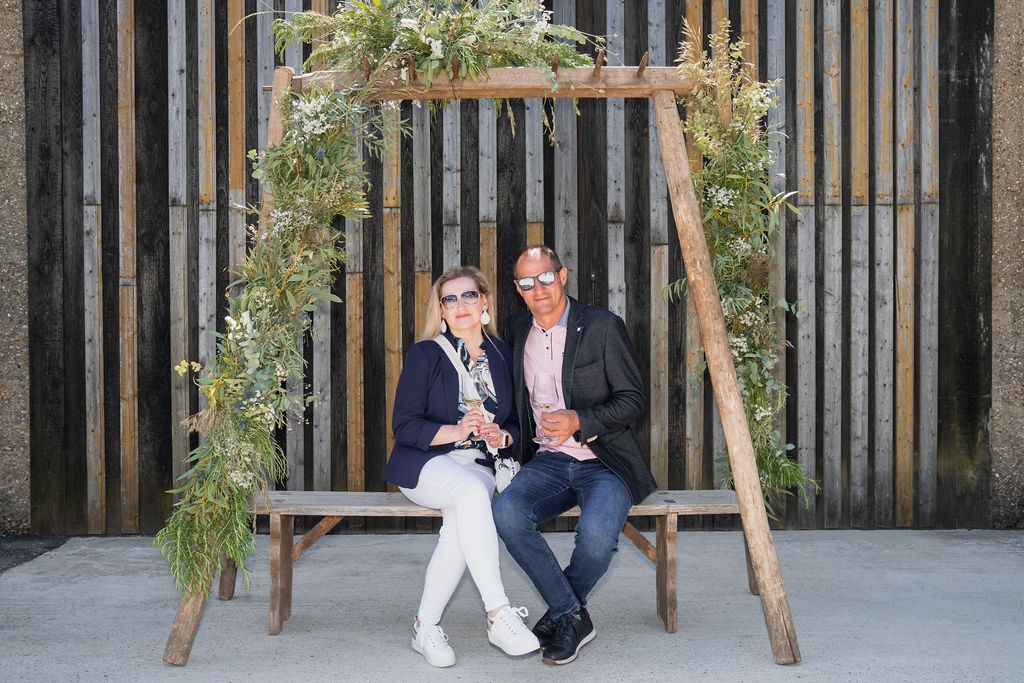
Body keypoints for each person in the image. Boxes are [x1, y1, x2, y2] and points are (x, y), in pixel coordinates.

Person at [493, 245, 657, 666]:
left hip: (605, 461)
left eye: (546, 277)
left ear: (562, 276)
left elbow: (634, 400)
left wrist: (579, 419)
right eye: (527, 282)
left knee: (598, 540)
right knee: (507, 513)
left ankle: (561, 613)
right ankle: (572, 615)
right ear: (518, 289)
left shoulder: (602, 326)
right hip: (548, 460)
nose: (538, 288)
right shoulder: (517, 329)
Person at [382, 265, 541, 668]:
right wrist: (455, 429)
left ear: (484, 301)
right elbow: (404, 425)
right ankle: (498, 612)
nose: (460, 305)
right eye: (449, 299)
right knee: (471, 496)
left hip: (479, 464)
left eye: (469, 295)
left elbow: (517, 423)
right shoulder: (425, 354)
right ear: (441, 309)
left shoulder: (505, 355)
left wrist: (503, 437)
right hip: (426, 464)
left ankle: (424, 627)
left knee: (460, 523)